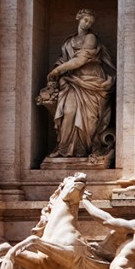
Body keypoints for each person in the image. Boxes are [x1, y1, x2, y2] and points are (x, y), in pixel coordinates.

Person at [46, 9, 115, 162]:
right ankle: (64, 148)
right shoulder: (68, 42)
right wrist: (59, 71)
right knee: (68, 112)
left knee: (89, 121)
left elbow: (80, 60)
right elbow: (64, 60)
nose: (87, 24)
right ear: (78, 19)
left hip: (92, 82)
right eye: (85, 20)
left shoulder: (91, 38)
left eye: (90, 22)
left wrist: (57, 70)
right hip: (72, 82)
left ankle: (83, 150)